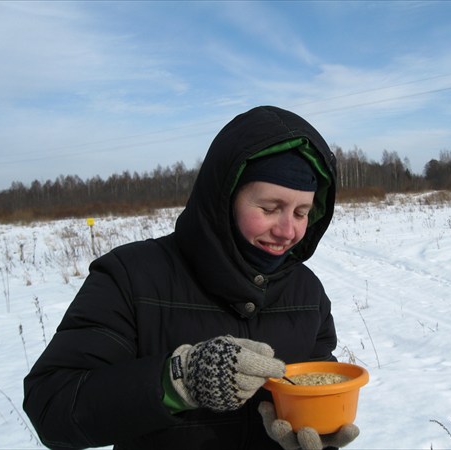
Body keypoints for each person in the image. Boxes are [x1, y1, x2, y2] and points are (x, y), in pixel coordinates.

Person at [23, 105, 360, 449]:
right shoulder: (131, 275)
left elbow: (315, 383)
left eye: (302, 212)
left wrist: (318, 426)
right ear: (224, 197)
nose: (288, 230)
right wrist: (179, 380)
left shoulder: (306, 292)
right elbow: (51, 405)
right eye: (270, 209)